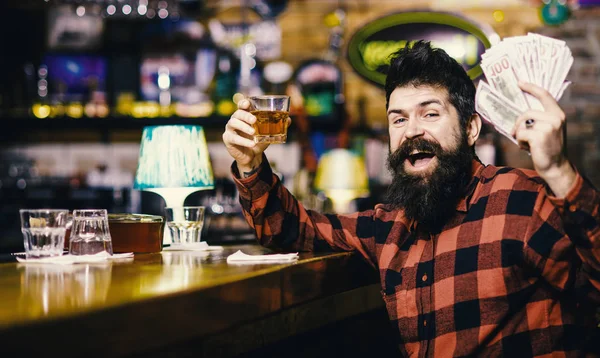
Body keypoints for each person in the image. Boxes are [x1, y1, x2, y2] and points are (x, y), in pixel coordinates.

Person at [222, 41, 600, 357]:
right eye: (398, 119)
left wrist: (558, 171)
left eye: (430, 113)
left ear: (470, 128)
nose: (412, 131)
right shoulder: (388, 227)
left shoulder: (522, 199)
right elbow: (289, 229)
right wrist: (250, 163)